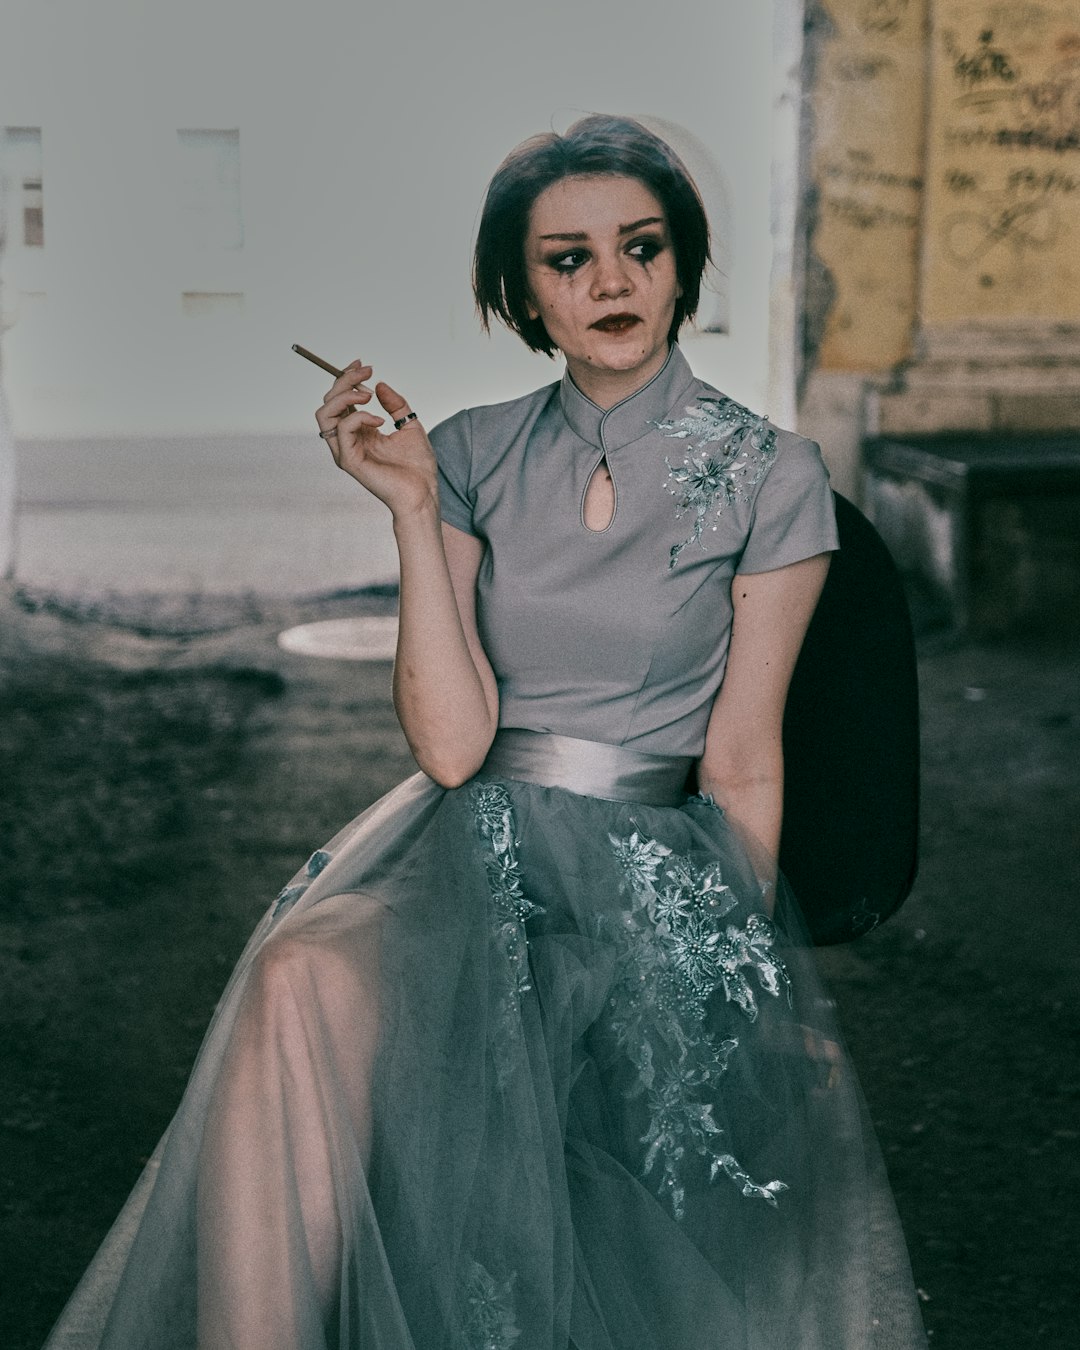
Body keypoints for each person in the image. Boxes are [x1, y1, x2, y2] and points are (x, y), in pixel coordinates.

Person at [46, 115, 927, 1349]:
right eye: (567, 260)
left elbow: (743, 755)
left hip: (657, 874)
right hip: (471, 847)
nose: (610, 280)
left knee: (568, 1139)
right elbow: (453, 751)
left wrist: (745, 974)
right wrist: (409, 511)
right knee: (298, 974)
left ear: (683, 264)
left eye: (641, 246)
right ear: (523, 292)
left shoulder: (774, 472)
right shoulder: (463, 453)